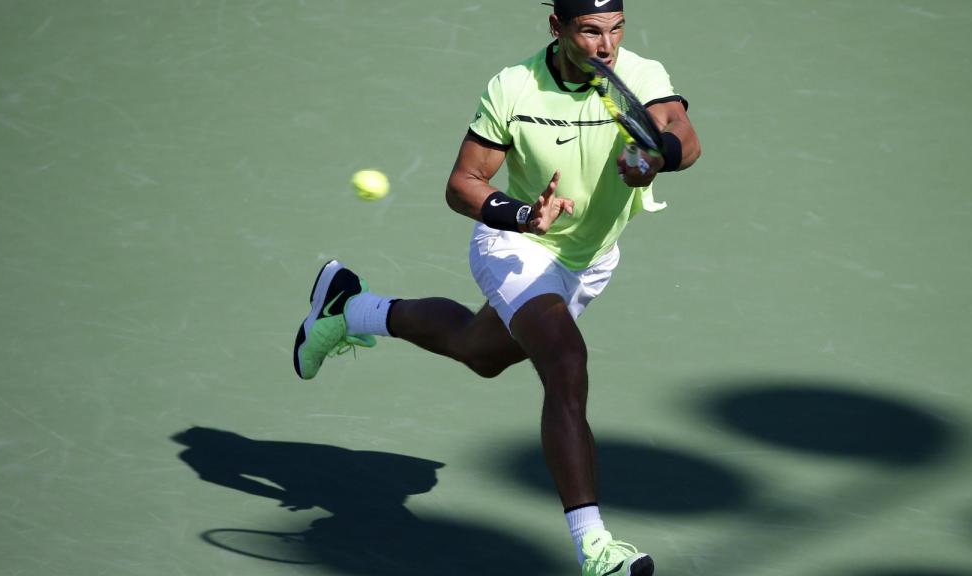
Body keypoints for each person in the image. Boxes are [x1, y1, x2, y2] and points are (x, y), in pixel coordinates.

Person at [292, 0, 700, 573]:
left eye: (615, 30)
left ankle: (350, 308)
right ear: (557, 28)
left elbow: (683, 134)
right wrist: (520, 216)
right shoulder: (514, 87)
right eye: (589, 31)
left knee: (480, 353)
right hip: (517, 246)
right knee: (565, 361)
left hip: (589, 257)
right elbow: (463, 184)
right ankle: (595, 549)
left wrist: (657, 158)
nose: (605, 47)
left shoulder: (640, 74)